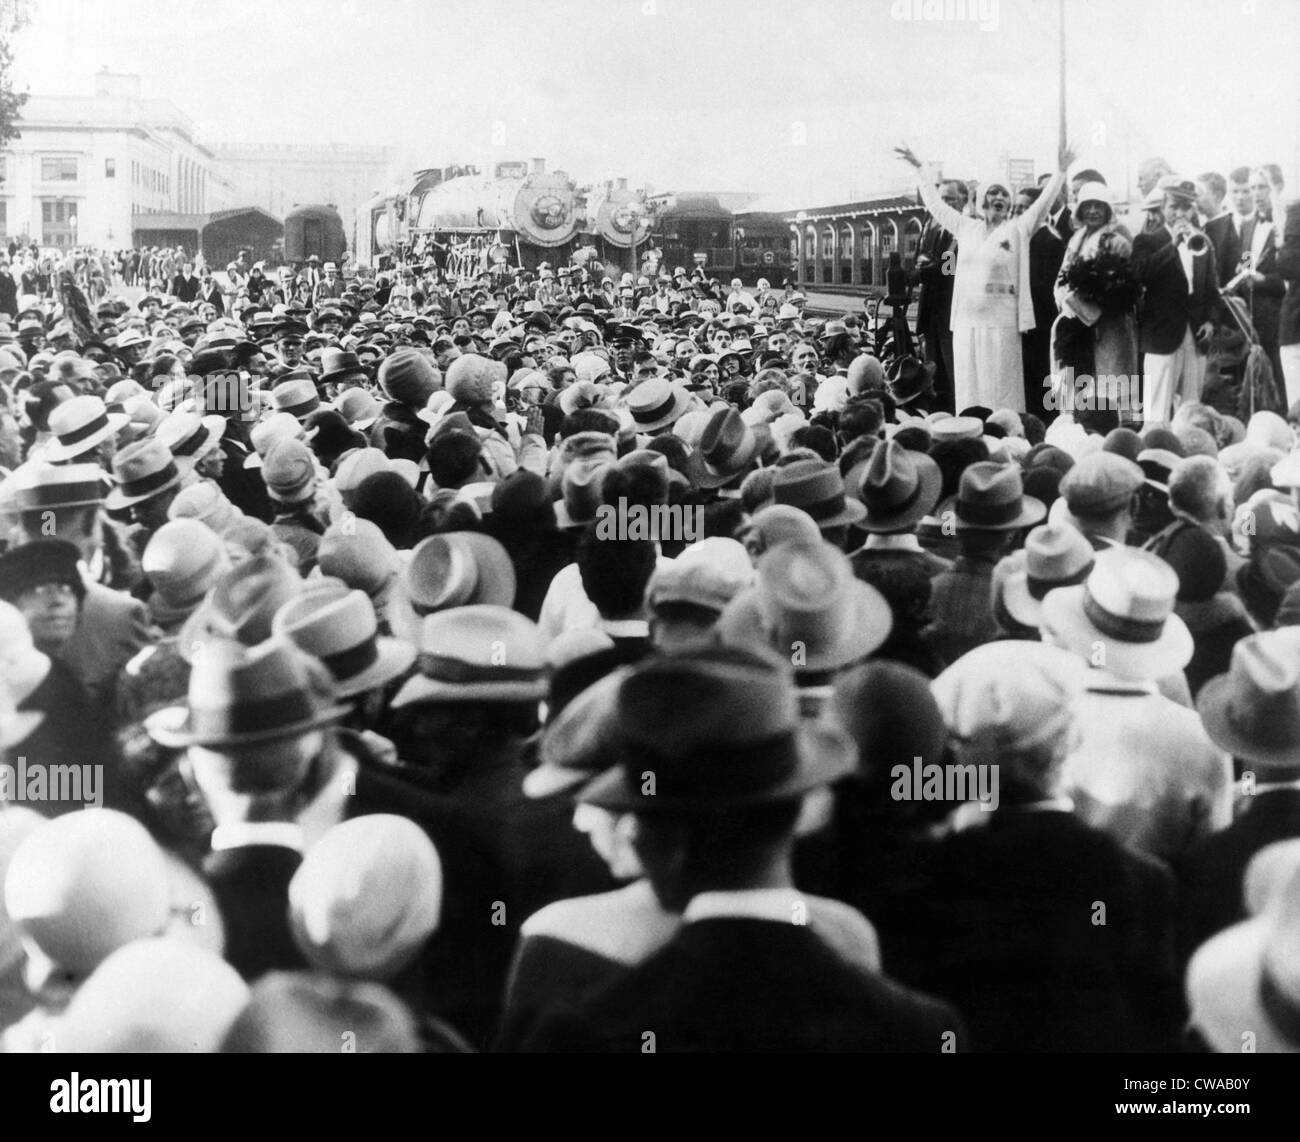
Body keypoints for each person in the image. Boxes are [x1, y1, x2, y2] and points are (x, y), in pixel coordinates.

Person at [897, 141, 1073, 413]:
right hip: (966, 324)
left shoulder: (1017, 229)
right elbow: (935, 205)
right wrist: (920, 169)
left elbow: (1041, 206)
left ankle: (1004, 436)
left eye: (1004, 193)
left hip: (1002, 324)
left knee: (1001, 390)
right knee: (969, 389)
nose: (998, 198)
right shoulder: (966, 227)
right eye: (992, 192)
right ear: (981, 199)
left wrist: (1061, 172)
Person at [1131, 178, 1221, 425]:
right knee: (1156, 411)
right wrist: (1173, 245)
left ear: (1193, 209)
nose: (1180, 213)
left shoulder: (1203, 241)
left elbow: (1213, 291)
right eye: (1174, 207)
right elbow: (1139, 274)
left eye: (1186, 207)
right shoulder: (1147, 241)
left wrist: (1211, 322)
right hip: (1161, 335)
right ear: (1162, 208)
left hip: (1195, 334)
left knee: (1192, 412)